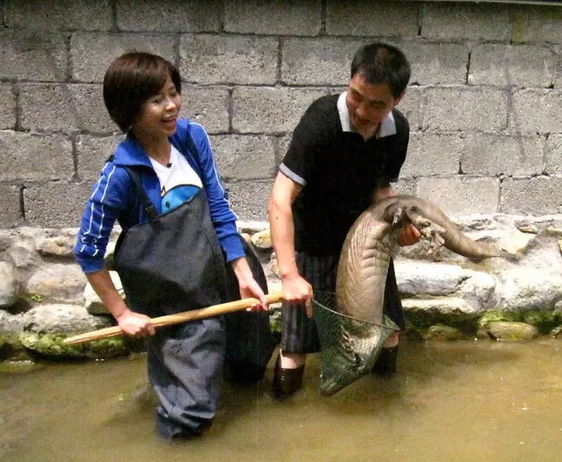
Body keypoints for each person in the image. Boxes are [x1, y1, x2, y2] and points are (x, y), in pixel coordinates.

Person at [73, 52, 275, 440]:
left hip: (226, 273)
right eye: (157, 100)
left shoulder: (190, 138)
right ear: (129, 110)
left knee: (249, 363)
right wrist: (122, 314)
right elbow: (87, 251)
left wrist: (243, 272)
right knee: (190, 413)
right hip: (178, 299)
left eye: (173, 92)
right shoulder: (120, 174)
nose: (171, 106)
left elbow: (217, 204)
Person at [268, 42, 420, 399]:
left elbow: (381, 189)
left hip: (365, 246)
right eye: (356, 96)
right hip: (314, 241)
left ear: (397, 99)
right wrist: (289, 274)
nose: (362, 111)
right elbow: (280, 197)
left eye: (377, 104)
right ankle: (283, 424)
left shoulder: (397, 131)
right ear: (350, 82)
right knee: (295, 347)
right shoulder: (320, 121)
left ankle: (385, 414)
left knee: (387, 332)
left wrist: (399, 225)